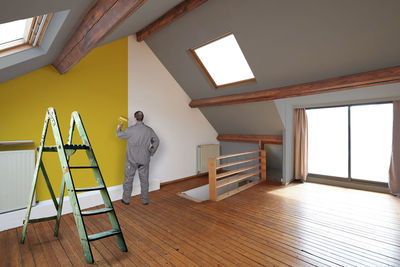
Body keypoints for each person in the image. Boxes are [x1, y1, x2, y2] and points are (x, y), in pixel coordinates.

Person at [116, 111, 159, 205]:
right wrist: (150, 152)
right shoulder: (149, 130)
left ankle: (126, 200)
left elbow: (118, 135)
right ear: (142, 118)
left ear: (135, 118)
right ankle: (145, 200)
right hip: (144, 159)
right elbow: (156, 141)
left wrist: (119, 127)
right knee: (144, 180)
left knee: (128, 179)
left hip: (132, 159)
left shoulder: (130, 130)